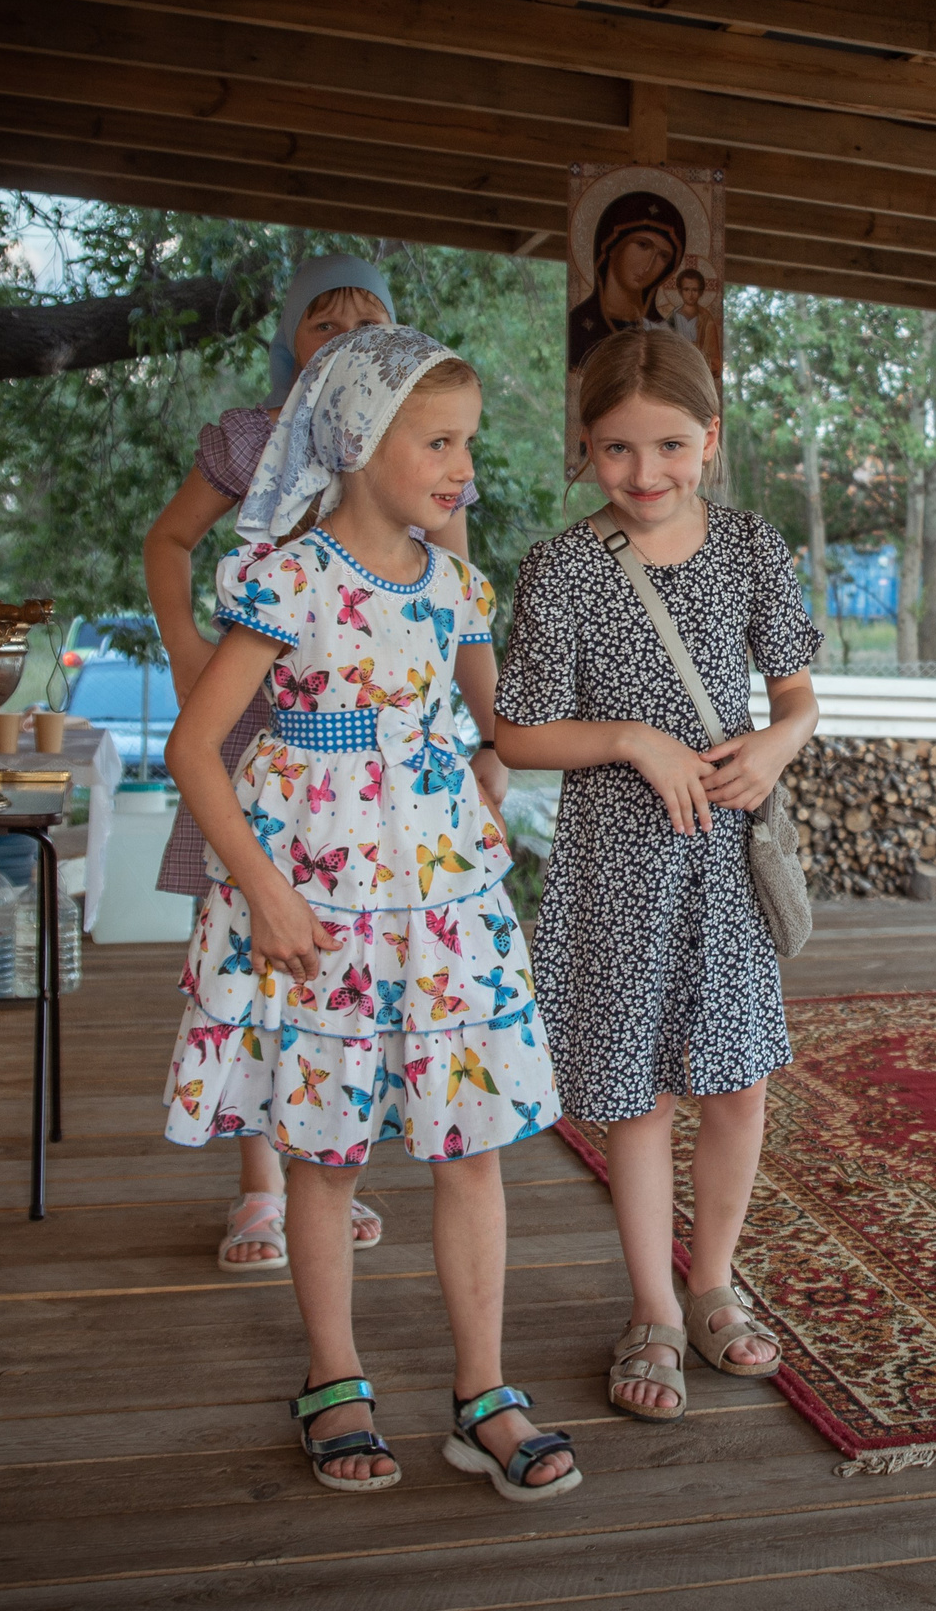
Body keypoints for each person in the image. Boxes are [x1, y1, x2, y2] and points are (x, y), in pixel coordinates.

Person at [162, 323, 579, 1502]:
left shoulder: (453, 584)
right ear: (356, 439)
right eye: (438, 442)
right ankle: (334, 1378)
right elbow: (197, 750)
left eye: (469, 445)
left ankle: (482, 1393)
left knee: (472, 1139)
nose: (463, 468)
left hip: (442, 894)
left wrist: (567, 749)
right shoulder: (287, 576)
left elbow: (504, 727)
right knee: (323, 1147)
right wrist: (266, 892)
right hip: (316, 887)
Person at [144, 255, 505, 1271]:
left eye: (367, 317)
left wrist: (477, 734)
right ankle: (272, 1177)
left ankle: (342, 1142)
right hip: (272, 705)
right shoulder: (252, 447)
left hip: (397, 727)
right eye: (323, 319)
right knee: (269, 940)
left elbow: (461, 605)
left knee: (379, 953)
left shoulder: (434, 484)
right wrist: (186, 649)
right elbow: (170, 544)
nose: (344, 330)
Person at [494, 330, 822, 1423]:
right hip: (613, 861)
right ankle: (653, 1310)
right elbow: (522, 733)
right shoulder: (560, 567)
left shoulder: (751, 550)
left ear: (711, 441)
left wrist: (772, 747)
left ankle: (714, 1282)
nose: (645, 474)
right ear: (584, 448)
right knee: (632, 1095)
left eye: (670, 446)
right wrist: (633, 738)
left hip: (724, 857)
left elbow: (798, 699)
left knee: (736, 1083)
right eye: (618, 448)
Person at [566, 190, 685, 368]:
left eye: (663, 256)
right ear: (612, 245)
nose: (649, 266)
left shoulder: (667, 335)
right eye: (643, 245)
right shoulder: (579, 326)